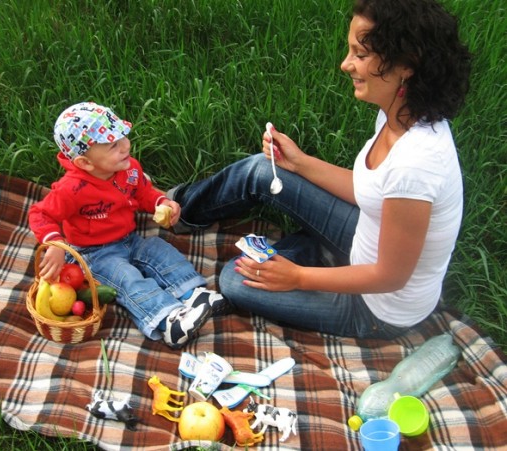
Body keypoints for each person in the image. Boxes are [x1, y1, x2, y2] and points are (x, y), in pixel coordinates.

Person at [168, 0, 472, 339]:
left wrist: (297, 278)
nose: (346, 65)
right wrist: (299, 163)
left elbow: (390, 277)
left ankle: (312, 258)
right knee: (262, 170)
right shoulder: (397, 114)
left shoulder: (418, 164)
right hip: (363, 239)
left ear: (406, 65)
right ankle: (176, 208)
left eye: (360, 54)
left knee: (234, 281)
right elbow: (369, 191)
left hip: (377, 307)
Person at [29, 102, 226, 349]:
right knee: (127, 278)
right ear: (85, 163)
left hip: (128, 238)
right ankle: (169, 321)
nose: (125, 146)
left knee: (159, 249)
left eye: (123, 136)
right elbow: (40, 214)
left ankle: (193, 294)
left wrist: (161, 201)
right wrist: (56, 243)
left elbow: (143, 192)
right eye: (113, 145)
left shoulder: (129, 168)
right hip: (94, 253)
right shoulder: (72, 189)